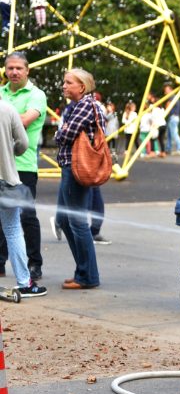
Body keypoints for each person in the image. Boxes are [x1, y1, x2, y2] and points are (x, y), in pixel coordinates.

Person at [54, 68, 104, 289]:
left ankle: (87, 276)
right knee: (65, 220)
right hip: (70, 167)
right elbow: (65, 133)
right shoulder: (77, 106)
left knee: (76, 222)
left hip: (76, 169)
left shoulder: (84, 105)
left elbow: (64, 135)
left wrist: (61, 131)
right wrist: (63, 130)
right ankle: (83, 272)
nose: (63, 86)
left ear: (81, 87)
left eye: (68, 82)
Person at [0, 53, 47, 281]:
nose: (14, 72)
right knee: (3, 218)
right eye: (10, 68)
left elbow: (26, 121)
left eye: (19, 68)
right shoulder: (2, 93)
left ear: (27, 70)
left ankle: (34, 264)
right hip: (2, 166)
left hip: (24, 165)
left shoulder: (37, 95)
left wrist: (7, 116)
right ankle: (0, 262)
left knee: (27, 216)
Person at [164, 83, 180, 155]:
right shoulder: (174, 97)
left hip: (173, 118)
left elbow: (167, 107)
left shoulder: (172, 97)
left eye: (166, 90)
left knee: (174, 134)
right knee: (169, 134)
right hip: (173, 118)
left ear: (171, 90)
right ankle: (168, 149)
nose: (165, 92)